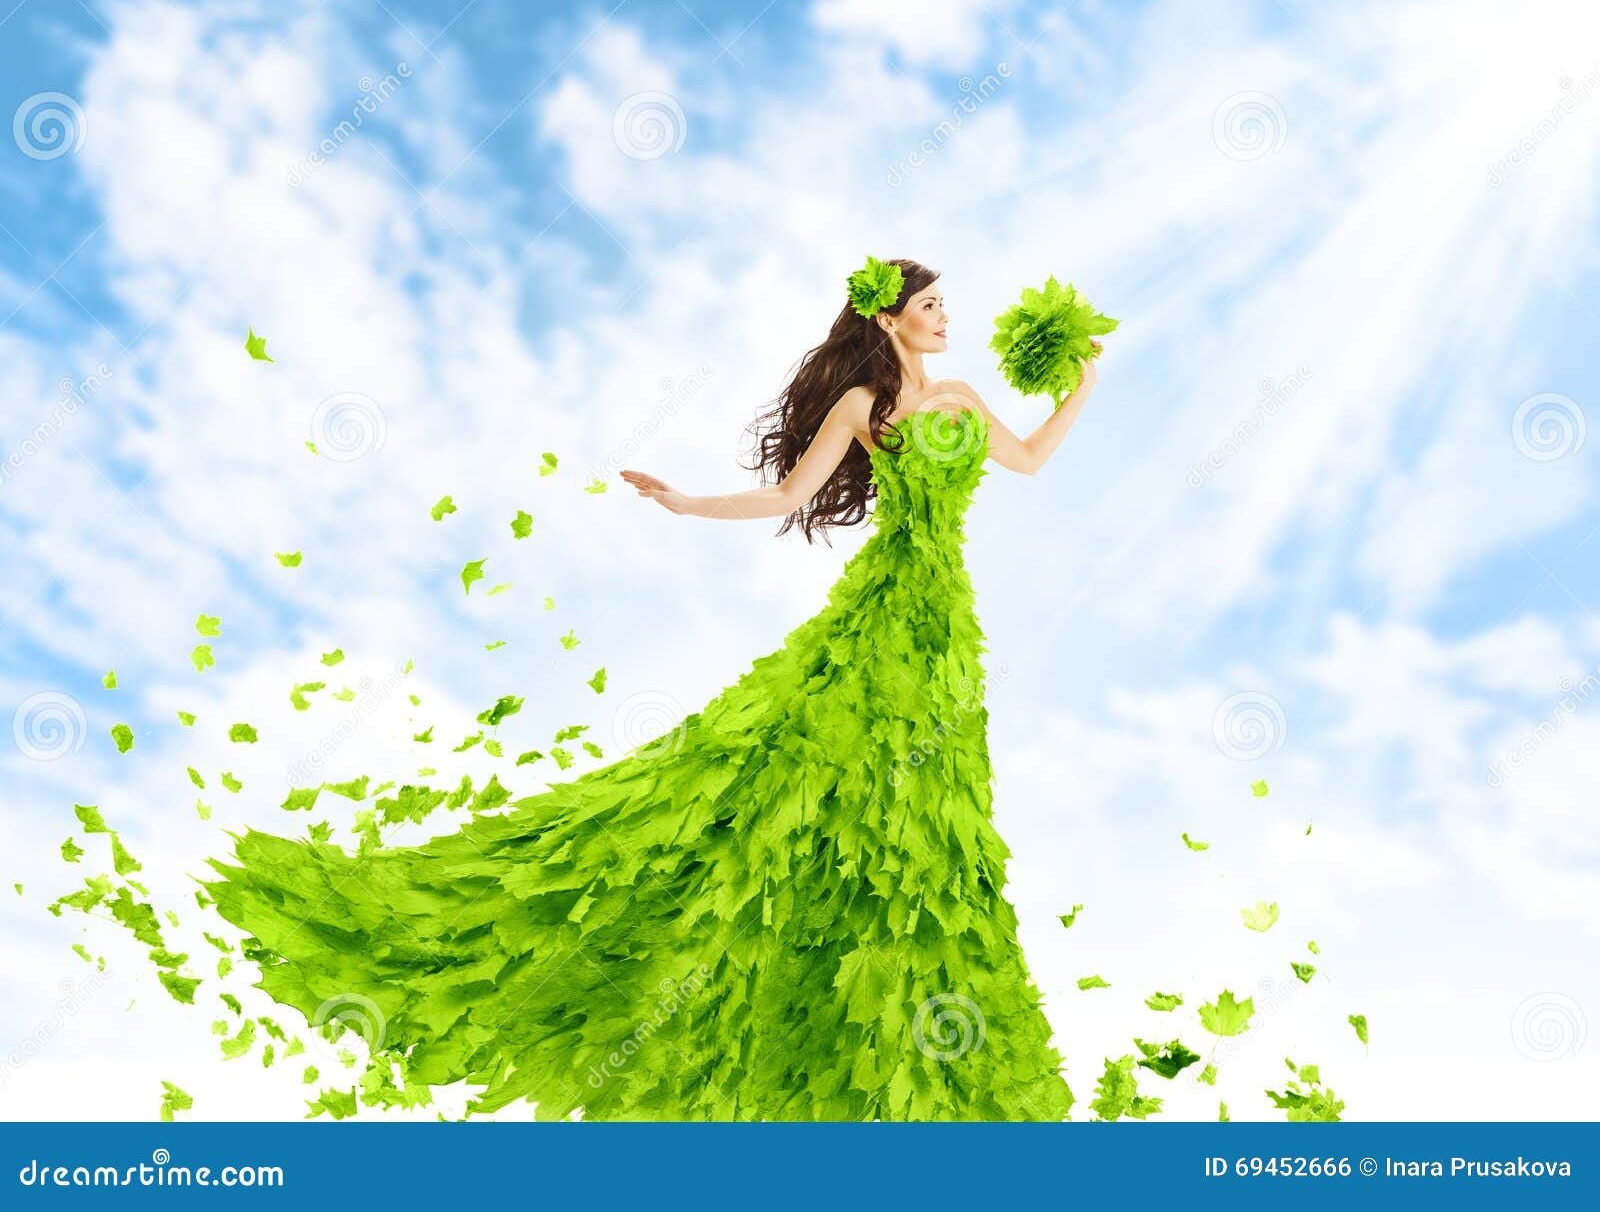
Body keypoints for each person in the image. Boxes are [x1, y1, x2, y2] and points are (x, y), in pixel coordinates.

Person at [204, 257, 1102, 1122]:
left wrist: (1081, 388)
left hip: (946, 618)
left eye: (946, 304)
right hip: (885, 606)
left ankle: (877, 1007)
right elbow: (787, 496)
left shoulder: (963, 399)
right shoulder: (866, 403)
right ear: (887, 316)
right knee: (803, 769)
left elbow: (1024, 460)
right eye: (931, 304)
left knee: (918, 800)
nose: (946, 317)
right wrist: (685, 501)